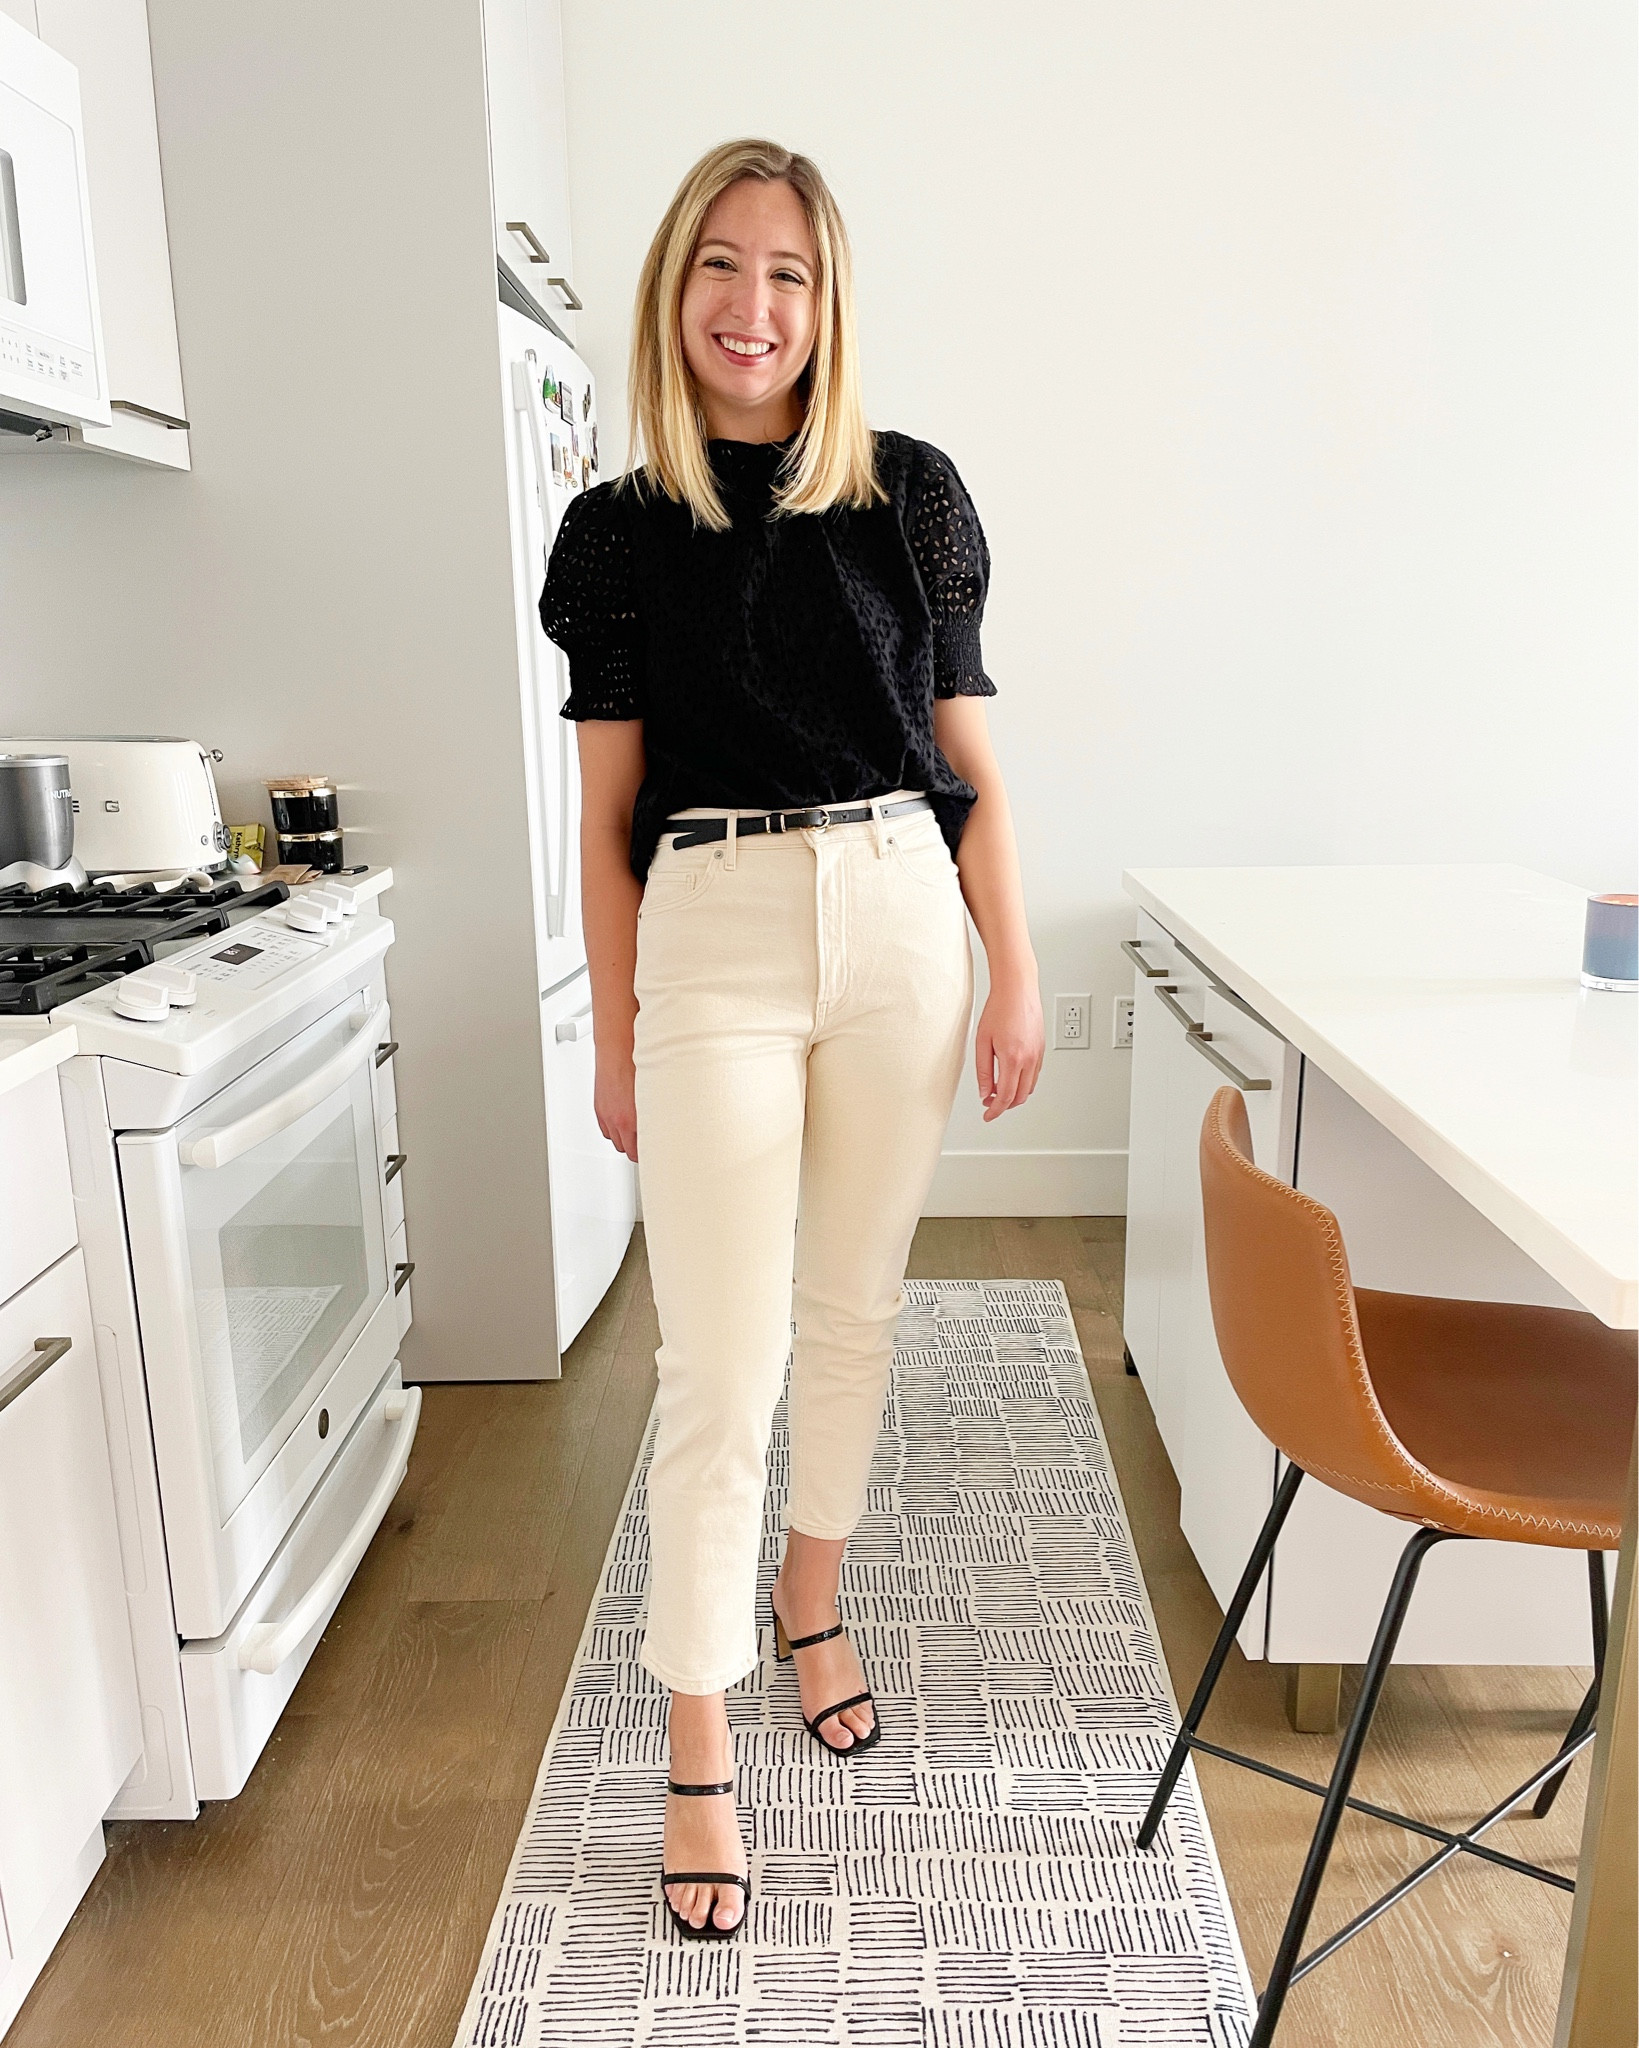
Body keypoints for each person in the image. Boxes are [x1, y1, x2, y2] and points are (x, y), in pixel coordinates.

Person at [540, 137, 1043, 1941]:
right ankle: (698, 1739)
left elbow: (970, 766)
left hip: (904, 910)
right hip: (718, 926)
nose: (756, 308)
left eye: (793, 274)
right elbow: (608, 824)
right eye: (723, 267)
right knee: (714, 1364)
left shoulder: (910, 496)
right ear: (677, 291)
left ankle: (812, 1601)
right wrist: (619, 1029)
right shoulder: (615, 533)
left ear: (829, 304)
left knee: (855, 1311)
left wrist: (1018, 961)